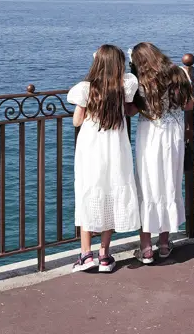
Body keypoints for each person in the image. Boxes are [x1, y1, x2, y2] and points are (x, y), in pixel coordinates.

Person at [67, 44, 140, 273]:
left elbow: (77, 121)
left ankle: (85, 254)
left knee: (89, 192)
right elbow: (129, 109)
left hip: (91, 147)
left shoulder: (86, 89)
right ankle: (105, 256)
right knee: (112, 193)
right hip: (116, 146)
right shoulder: (125, 84)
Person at [128, 42, 193, 264]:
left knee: (147, 186)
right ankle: (164, 244)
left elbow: (132, 110)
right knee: (169, 184)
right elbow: (189, 106)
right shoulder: (180, 73)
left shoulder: (141, 82)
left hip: (150, 135)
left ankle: (146, 248)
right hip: (173, 136)